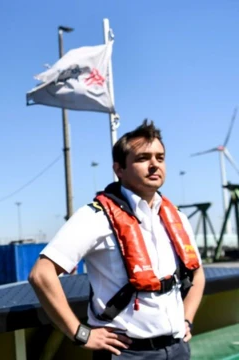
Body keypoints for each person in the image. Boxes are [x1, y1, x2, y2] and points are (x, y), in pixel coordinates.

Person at [29, 120, 205, 359]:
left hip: (177, 349)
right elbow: (41, 274)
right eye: (143, 158)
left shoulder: (177, 218)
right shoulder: (95, 217)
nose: (154, 164)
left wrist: (188, 319)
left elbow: (197, 274)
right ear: (119, 169)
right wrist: (80, 333)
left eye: (160, 158)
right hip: (125, 353)